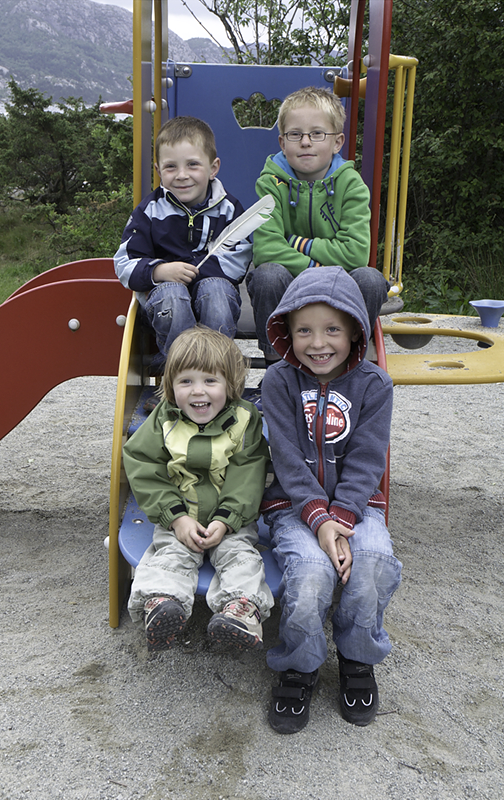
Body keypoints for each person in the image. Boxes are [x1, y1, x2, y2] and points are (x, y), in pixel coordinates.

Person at [260, 265, 402, 733]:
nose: (317, 343)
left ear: (355, 331)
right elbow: (286, 460)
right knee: (310, 571)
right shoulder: (279, 382)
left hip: (357, 506)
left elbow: (367, 461)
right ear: (287, 331)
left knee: (373, 560)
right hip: (294, 506)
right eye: (304, 330)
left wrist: (340, 516)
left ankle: (357, 659)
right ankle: (298, 666)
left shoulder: (374, 385)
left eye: (332, 330)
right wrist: (320, 521)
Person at [123, 325, 274, 651]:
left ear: (230, 384)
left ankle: (240, 612)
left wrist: (226, 519)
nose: (197, 391)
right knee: (170, 556)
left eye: (210, 381)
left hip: (231, 519)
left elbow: (248, 472)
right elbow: (143, 464)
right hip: (180, 513)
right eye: (186, 381)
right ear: (170, 385)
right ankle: (163, 604)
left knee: (240, 557)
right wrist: (176, 517)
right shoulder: (165, 419)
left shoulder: (245, 419)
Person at [247, 85, 389, 366]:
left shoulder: (352, 185)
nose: (305, 142)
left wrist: (297, 242)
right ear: (282, 143)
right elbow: (266, 249)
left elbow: (355, 254)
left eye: (317, 134)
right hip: (289, 282)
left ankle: (349, 363)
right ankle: (277, 365)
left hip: (341, 284)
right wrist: (315, 268)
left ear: (337, 142)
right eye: (295, 134)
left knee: (371, 280)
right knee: (267, 276)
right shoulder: (270, 183)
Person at [114, 116, 252, 371]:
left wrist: (195, 273)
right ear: (158, 171)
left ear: (213, 167)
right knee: (173, 295)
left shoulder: (229, 209)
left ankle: (217, 371)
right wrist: (159, 271)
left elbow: (239, 256)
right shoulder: (150, 211)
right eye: (170, 167)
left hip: (214, 291)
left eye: (193, 165)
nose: (182, 175)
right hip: (164, 297)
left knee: (216, 293)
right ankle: (178, 373)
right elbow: (124, 262)